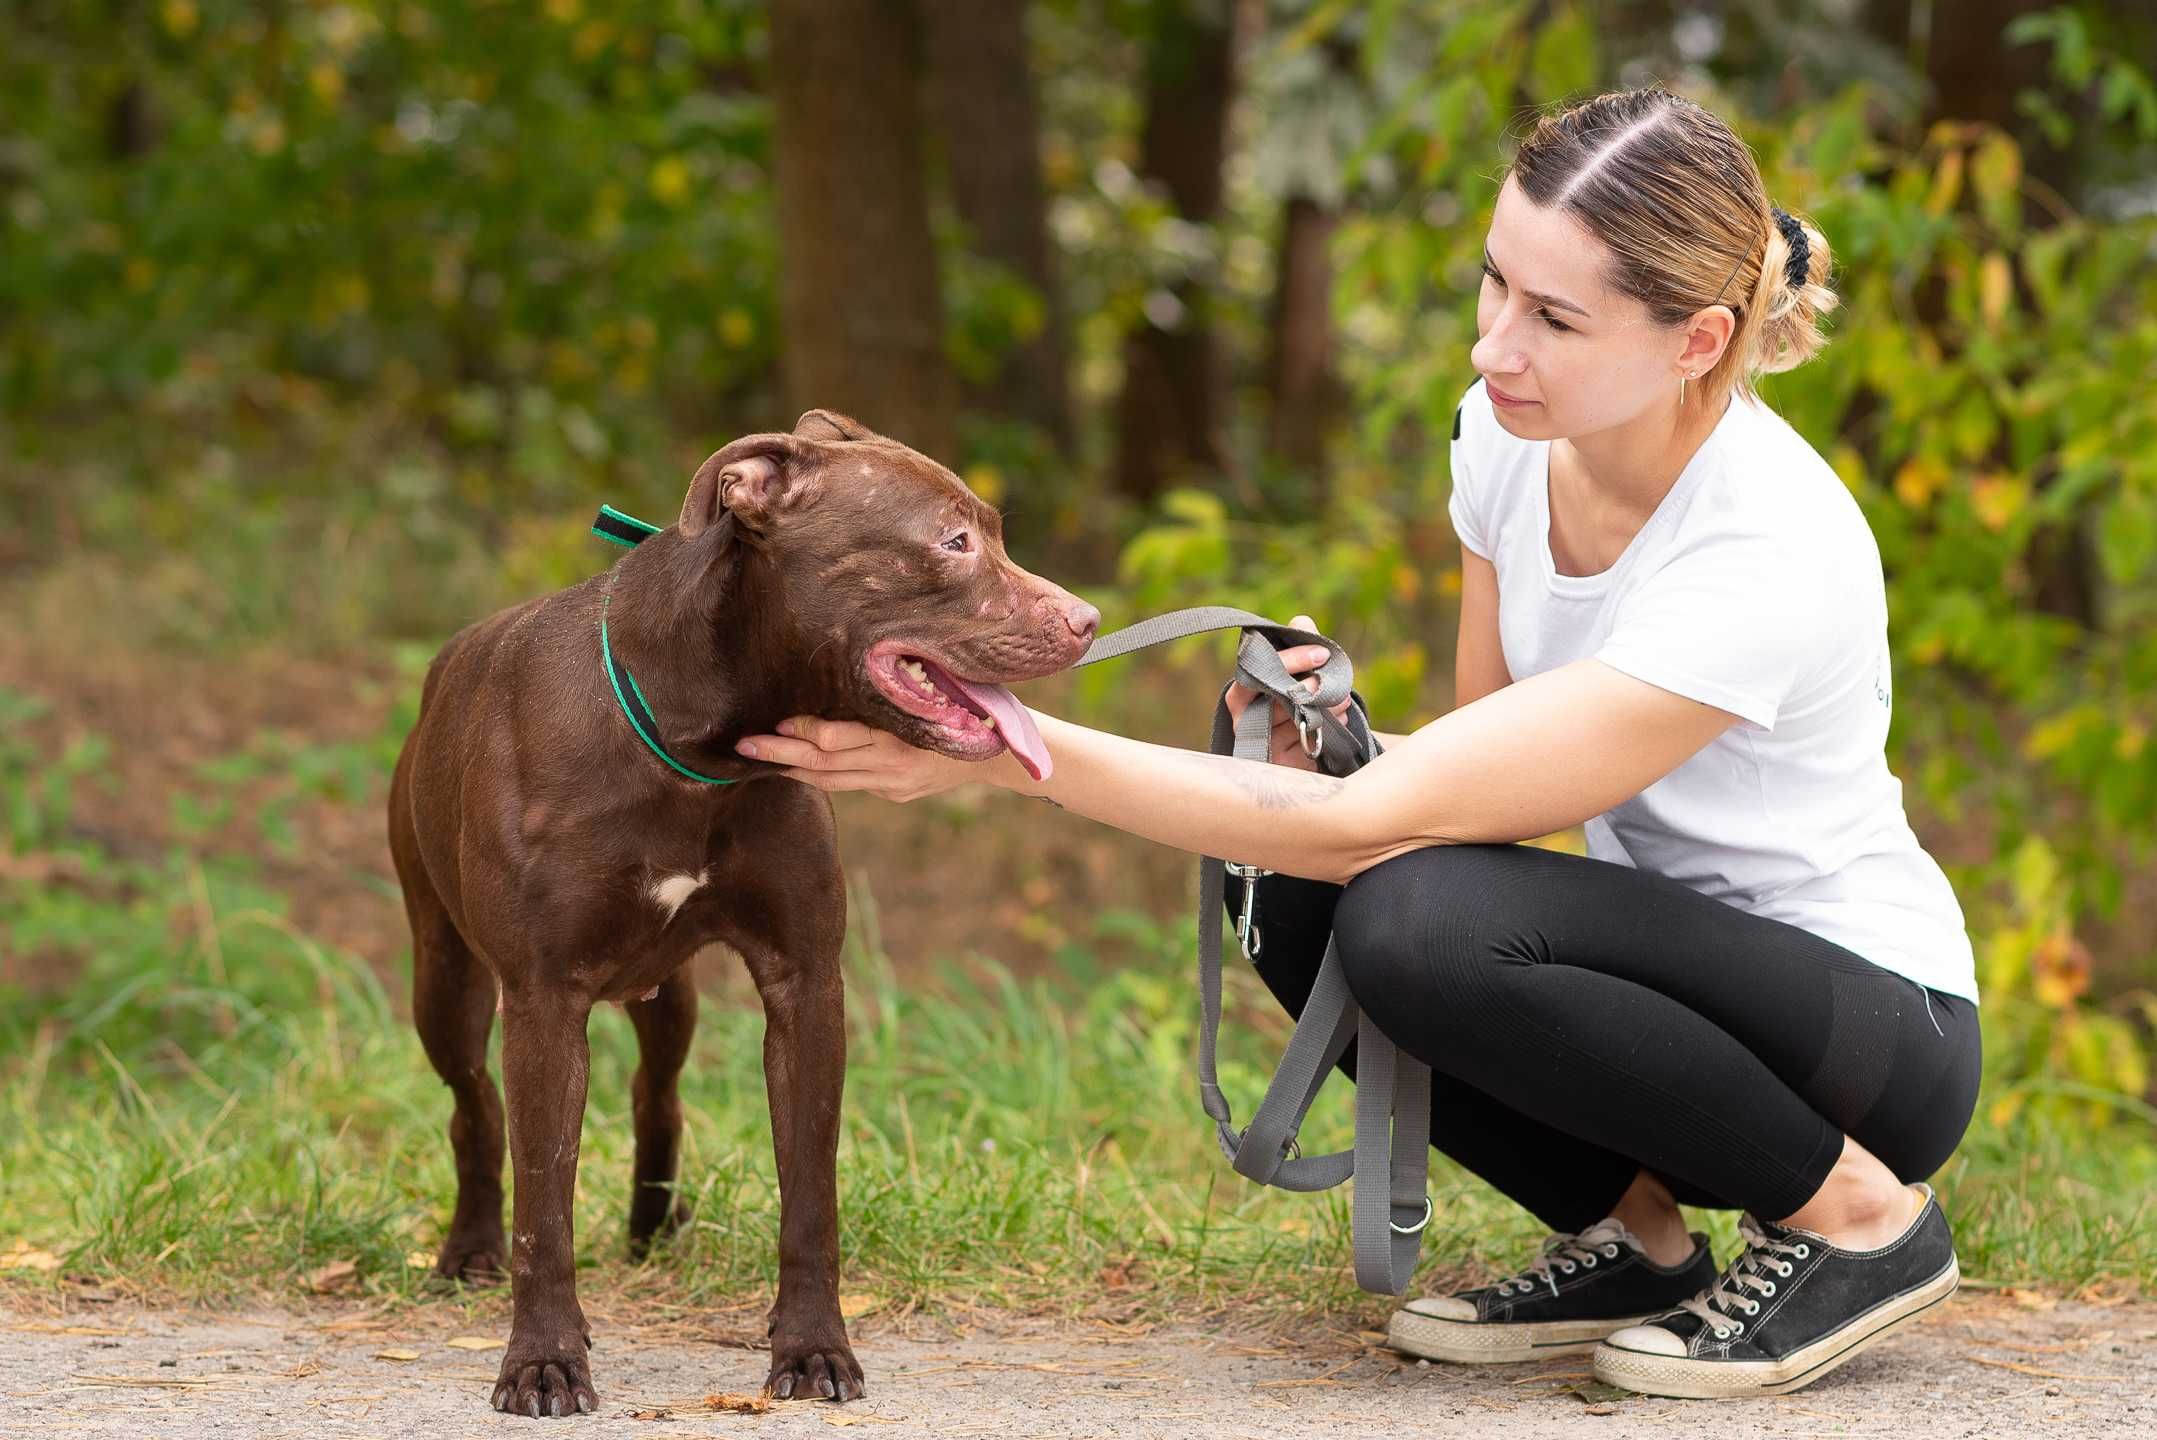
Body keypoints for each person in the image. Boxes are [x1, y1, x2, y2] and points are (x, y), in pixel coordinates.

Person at [732, 86, 1981, 1400]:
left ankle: (1857, 1221)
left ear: (1696, 342)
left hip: (1865, 1038)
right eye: (1494, 285)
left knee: (1413, 916)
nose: (1497, 343)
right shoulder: (1507, 443)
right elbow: (1483, 791)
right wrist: (1336, 744)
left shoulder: (1763, 546)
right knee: (1295, 888)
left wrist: (1001, 753)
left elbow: (1410, 846)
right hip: (1651, 996)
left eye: (1553, 319)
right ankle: (1638, 1240)